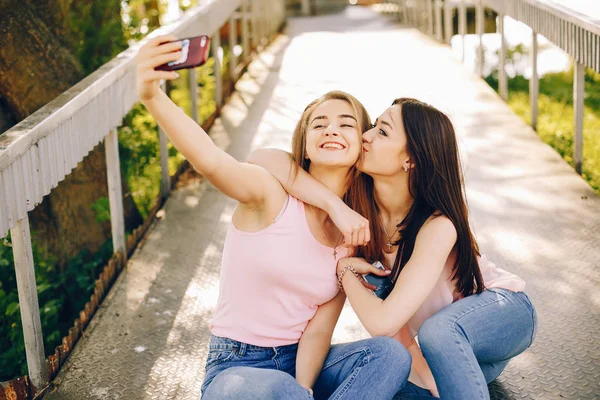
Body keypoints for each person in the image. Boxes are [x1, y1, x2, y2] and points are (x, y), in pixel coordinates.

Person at [136, 36, 412, 400]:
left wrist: (305, 389)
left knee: (388, 355)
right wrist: (153, 97)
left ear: (361, 145)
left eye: (346, 124)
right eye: (319, 124)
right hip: (236, 370)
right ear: (305, 142)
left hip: (299, 364)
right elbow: (212, 160)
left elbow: (317, 332)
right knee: (280, 390)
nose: (331, 129)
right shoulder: (269, 194)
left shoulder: (352, 233)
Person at [249, 97, 538, 399]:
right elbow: (263, 157)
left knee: (438, 333)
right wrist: (334, 205)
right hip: (450, 350)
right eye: (373, 126)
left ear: (410, 159)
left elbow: (382, 321)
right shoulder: (358, 216)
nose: (365, 136)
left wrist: (345, 270)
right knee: (400, 381)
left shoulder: (438, 224)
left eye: (382, 132)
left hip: (502, 314)